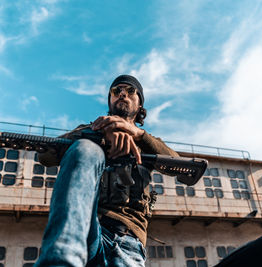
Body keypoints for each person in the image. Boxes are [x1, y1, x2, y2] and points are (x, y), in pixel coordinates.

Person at [34, 75, 178, 267]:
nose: (122, 94)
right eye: (116, 91)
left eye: (130, 91)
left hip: (128, 241)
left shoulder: (148, 142)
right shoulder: (89, 131)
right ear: (110, 100)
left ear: (140, 103)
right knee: (84, 148)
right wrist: (97, 133)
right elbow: (45, 156)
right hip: (88, 228)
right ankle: (61, 259)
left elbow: (179, 167)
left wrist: (137, 135)